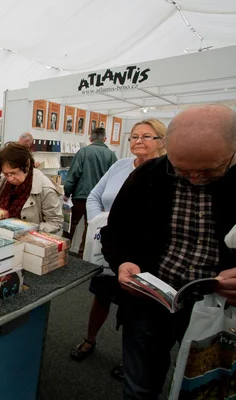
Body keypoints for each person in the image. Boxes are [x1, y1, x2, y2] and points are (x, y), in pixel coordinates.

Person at [100, 105, 236, 399]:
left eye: (210, 170)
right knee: (140, 386)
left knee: (211, 388)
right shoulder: (149, 174)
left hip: (221, 309)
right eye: (182, 170)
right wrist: (123, 262)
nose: (195, 178)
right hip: (150, 300)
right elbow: (115, 231)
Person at [70, 119, 167, 381]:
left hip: (140, 254)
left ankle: (129, 359)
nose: (138, 141)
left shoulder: (167, 173)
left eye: (147, 136)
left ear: (161, 141)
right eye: (134, 136)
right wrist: (100, 222)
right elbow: (93, 196)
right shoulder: (119, 165)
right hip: (109, 247)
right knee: (100, 296)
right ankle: (90, 339)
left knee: (135, 309)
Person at [63, 127, 117, 257]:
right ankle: (83, 256)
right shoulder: (111, 155)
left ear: (90, 139)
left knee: (70, 224)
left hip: (80, 196)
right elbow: (114, 178)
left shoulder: (83, 152)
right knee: (90, 227)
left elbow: (74, 173)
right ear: (105, 139)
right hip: (99, 199)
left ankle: (62, 251)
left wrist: (67, 192)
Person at [0, 142, 63, 233]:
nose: (10, 178)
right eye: (6, 174)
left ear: (26, 165)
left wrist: (28, 229)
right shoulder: (4, 182)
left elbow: (55, 223)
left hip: (28, 241)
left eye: (14, 173)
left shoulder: (45, 189)